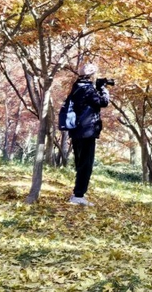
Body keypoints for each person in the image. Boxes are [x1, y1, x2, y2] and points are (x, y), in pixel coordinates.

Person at [67, 64, 110, 206]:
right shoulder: (88, 89)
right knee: (86, 164)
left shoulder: (76, 87)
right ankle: (78, 195)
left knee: (80, 162)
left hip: (76, 130)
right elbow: (103, 102)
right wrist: (102, 88)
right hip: (87, 131)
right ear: (91, 75)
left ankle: (77, 192)